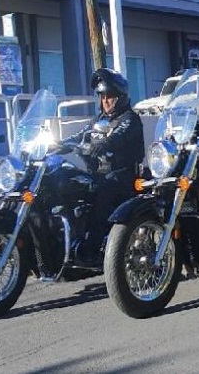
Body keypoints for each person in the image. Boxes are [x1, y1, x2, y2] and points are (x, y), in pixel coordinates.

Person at [63, 68, 144, 265]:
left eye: (110, 96)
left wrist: (102, 145)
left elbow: (117, 137)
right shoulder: (99, 120)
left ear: (121, 97)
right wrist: (58, 144)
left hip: (123, 176)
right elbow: (81, 135)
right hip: (98, 174)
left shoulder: (129, 119)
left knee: (103, 193)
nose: (106, 101)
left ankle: (92, 249)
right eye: (103, 96)